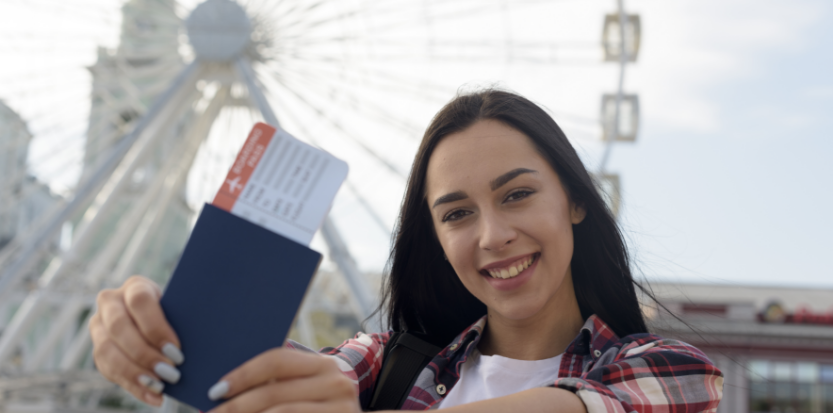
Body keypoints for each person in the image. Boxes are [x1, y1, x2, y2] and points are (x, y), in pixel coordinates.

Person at [90, 90, 724, 412]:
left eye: (518, 195)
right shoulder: (387, 366)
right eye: (456, 213)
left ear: (576, 201)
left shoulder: (666, 369)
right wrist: (158, 330)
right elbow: (277, 376)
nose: (491, 235)